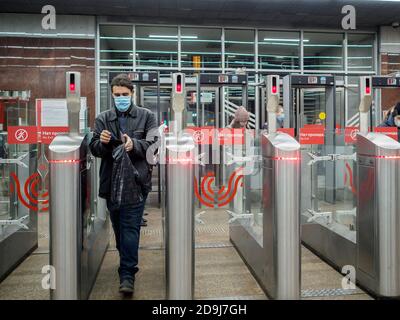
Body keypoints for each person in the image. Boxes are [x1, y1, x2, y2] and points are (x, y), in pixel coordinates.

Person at [89, 74, 158, 295]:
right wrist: (102, 142)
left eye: (124, 95)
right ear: (112, 94)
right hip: (112, 184)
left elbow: (154, 146)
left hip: (137, 183)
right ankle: (125, 256)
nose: (121, 98)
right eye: (117, 95)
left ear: (132, 94)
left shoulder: (146, 116)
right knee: (119, 228)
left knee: (130, 227)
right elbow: (94, 148)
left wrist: (134, 144)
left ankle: (127, 273)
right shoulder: (103, 118)